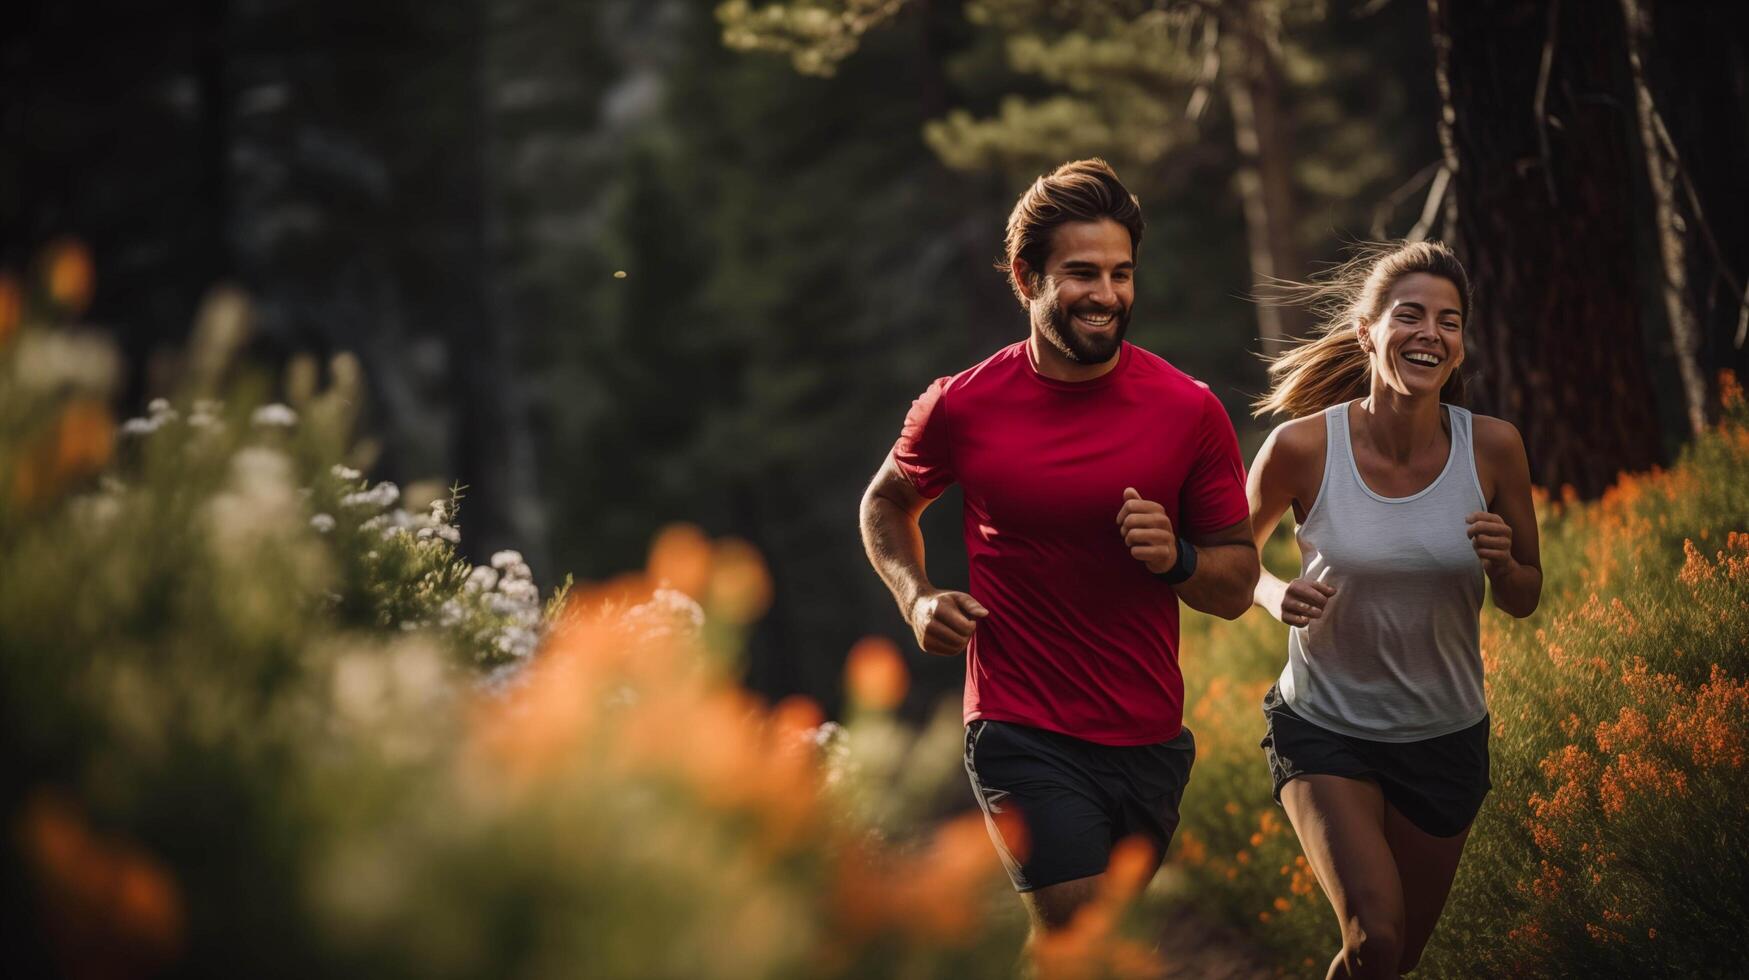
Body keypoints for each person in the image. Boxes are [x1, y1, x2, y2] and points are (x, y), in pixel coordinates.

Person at [857, 159, 1260, 944]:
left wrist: (1175, 557)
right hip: (1019, 723)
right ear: (1025, 278)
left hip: (1148, 738)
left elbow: (1235, 582)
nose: (1105, 296)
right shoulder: (963, 403)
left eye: (1120, 273)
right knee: (1082, 934)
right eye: (1080, 273)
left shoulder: (1190, 411)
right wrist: (916, 596)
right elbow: (885, 502)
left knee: (1079, 951)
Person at [1245, 241, 1542, 978]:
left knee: (1394, 960)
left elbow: (1524, 596)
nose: (1429, 334)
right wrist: (1274, 591)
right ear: (1366, 332)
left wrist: (1503, 561)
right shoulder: (1301, 448)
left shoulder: (1495, 449)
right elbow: (1228, 557)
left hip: (1444, 737)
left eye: (1448, 321)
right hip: (1324, 727)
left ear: (1461, 343)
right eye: (1408, 316)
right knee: (1374, 937)